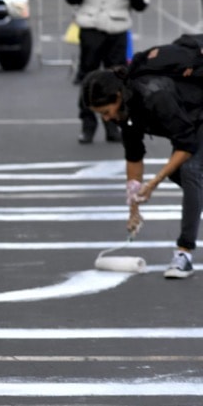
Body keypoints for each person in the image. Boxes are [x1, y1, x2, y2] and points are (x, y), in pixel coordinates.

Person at [83, 36, 203, 279]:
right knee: (183, 175)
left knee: (190, 171)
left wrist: (154, 183)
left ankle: (184, 253)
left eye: (106, 112)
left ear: (118, 96)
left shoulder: (154, 95)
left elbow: (186, 144)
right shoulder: (126, 113)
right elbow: (134, 158)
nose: (106, 119)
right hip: (190, 119)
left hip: (198, 115)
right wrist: (134, 207)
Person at [65, 0, 148, 144]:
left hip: (117, 30)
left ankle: (113, 126)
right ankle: (87, 125)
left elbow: (142, 4)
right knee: (87, 79)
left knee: (117, 80)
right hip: (91, 28)